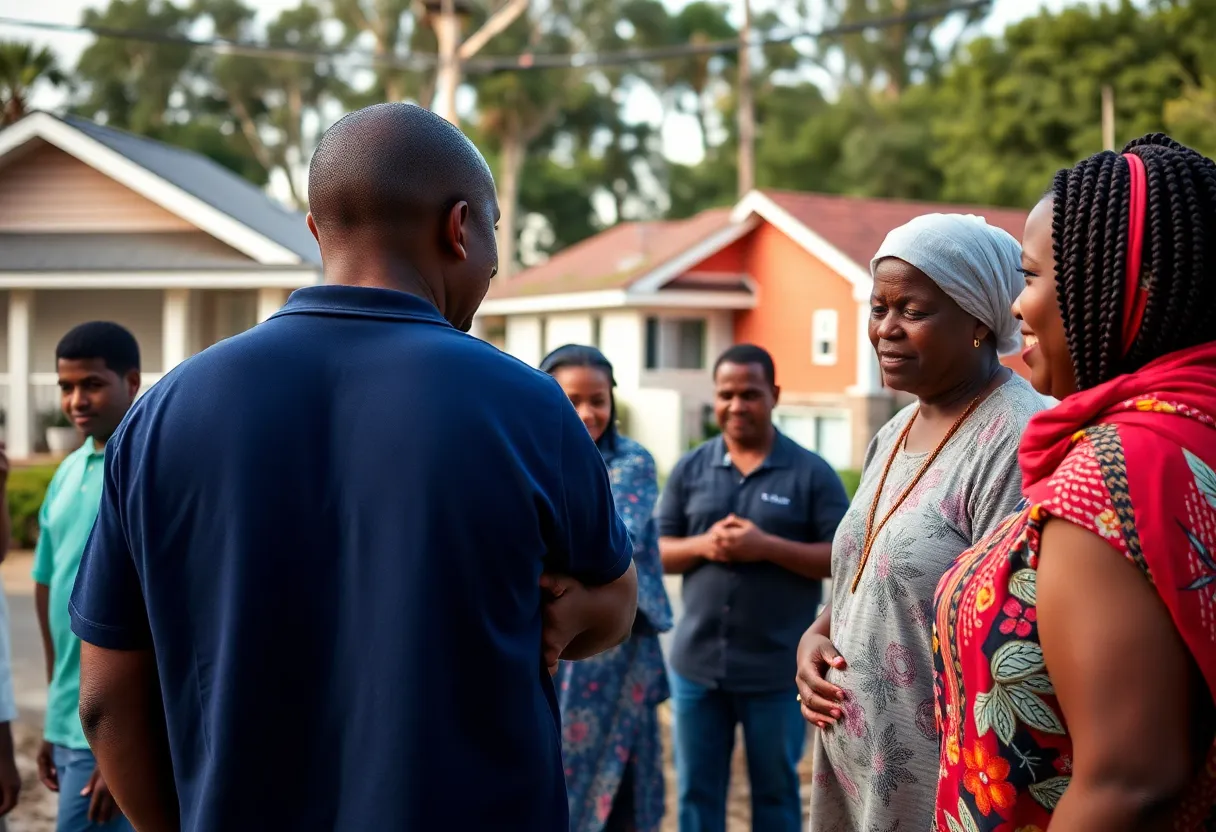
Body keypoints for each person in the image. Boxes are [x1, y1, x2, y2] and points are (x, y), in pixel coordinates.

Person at [67, 103, 638, 832]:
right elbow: (617, 602)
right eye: (495, 231)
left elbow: (105, 701)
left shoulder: (161, 417)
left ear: (317, 230)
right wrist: (568, 616)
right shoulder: (529, 407)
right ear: (460, 227)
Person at [933, 135, 1216, 830]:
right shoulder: (1194, 431)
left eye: (1030, 278)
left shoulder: (1115, 473)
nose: (1017, 308)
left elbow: (1128, 782)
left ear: (1128, 288)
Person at [796, 214, 1046, 832]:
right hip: (856, 769)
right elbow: (869, 571)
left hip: (944, 784)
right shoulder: (892, 432)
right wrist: (817, 635)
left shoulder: (1015, 439)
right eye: (879, 308)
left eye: (912, 311)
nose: (886, 328)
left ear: (979, 321)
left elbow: (1010, 636)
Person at [658, 343, 848, 832]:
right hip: (697, 669)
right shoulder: (691, 468)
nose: (737, 405)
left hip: (775, 671)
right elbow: (656, 550)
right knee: (696, 794)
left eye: (750, 394)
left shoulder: (811, 473)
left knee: (775, 793)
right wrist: (706, 545)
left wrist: (765, 546)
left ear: (774, 395)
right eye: (726, 394)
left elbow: (845, 558)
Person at [541, 344, 674, 832]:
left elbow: (616, 540)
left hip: (617, 640)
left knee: (625, 773)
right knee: (553, 756)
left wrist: (547, 561)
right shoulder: (532, 456)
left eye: (598, 400)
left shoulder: (631, 462)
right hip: (553, 640)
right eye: (571, 399)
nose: (587, 413)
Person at [33, 322, 140, 832]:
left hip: (116, 731)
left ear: (131, 381)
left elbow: (157, 610)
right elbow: (46, 585)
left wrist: (126, 744)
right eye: (66, 386)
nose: (76, 400)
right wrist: (55, 715)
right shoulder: (67, 471)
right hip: (69, 726)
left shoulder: (142, 467)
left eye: (92, 384)